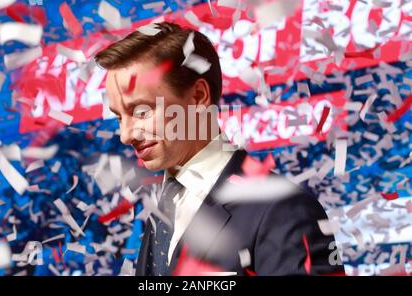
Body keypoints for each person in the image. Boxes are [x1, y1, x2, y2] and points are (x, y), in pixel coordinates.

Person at [95, 22, 344, 276]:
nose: (126, 135)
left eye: (142, 111)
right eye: (118, 118)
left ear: (198, 97)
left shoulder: (283, 210)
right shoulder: (162, 213)